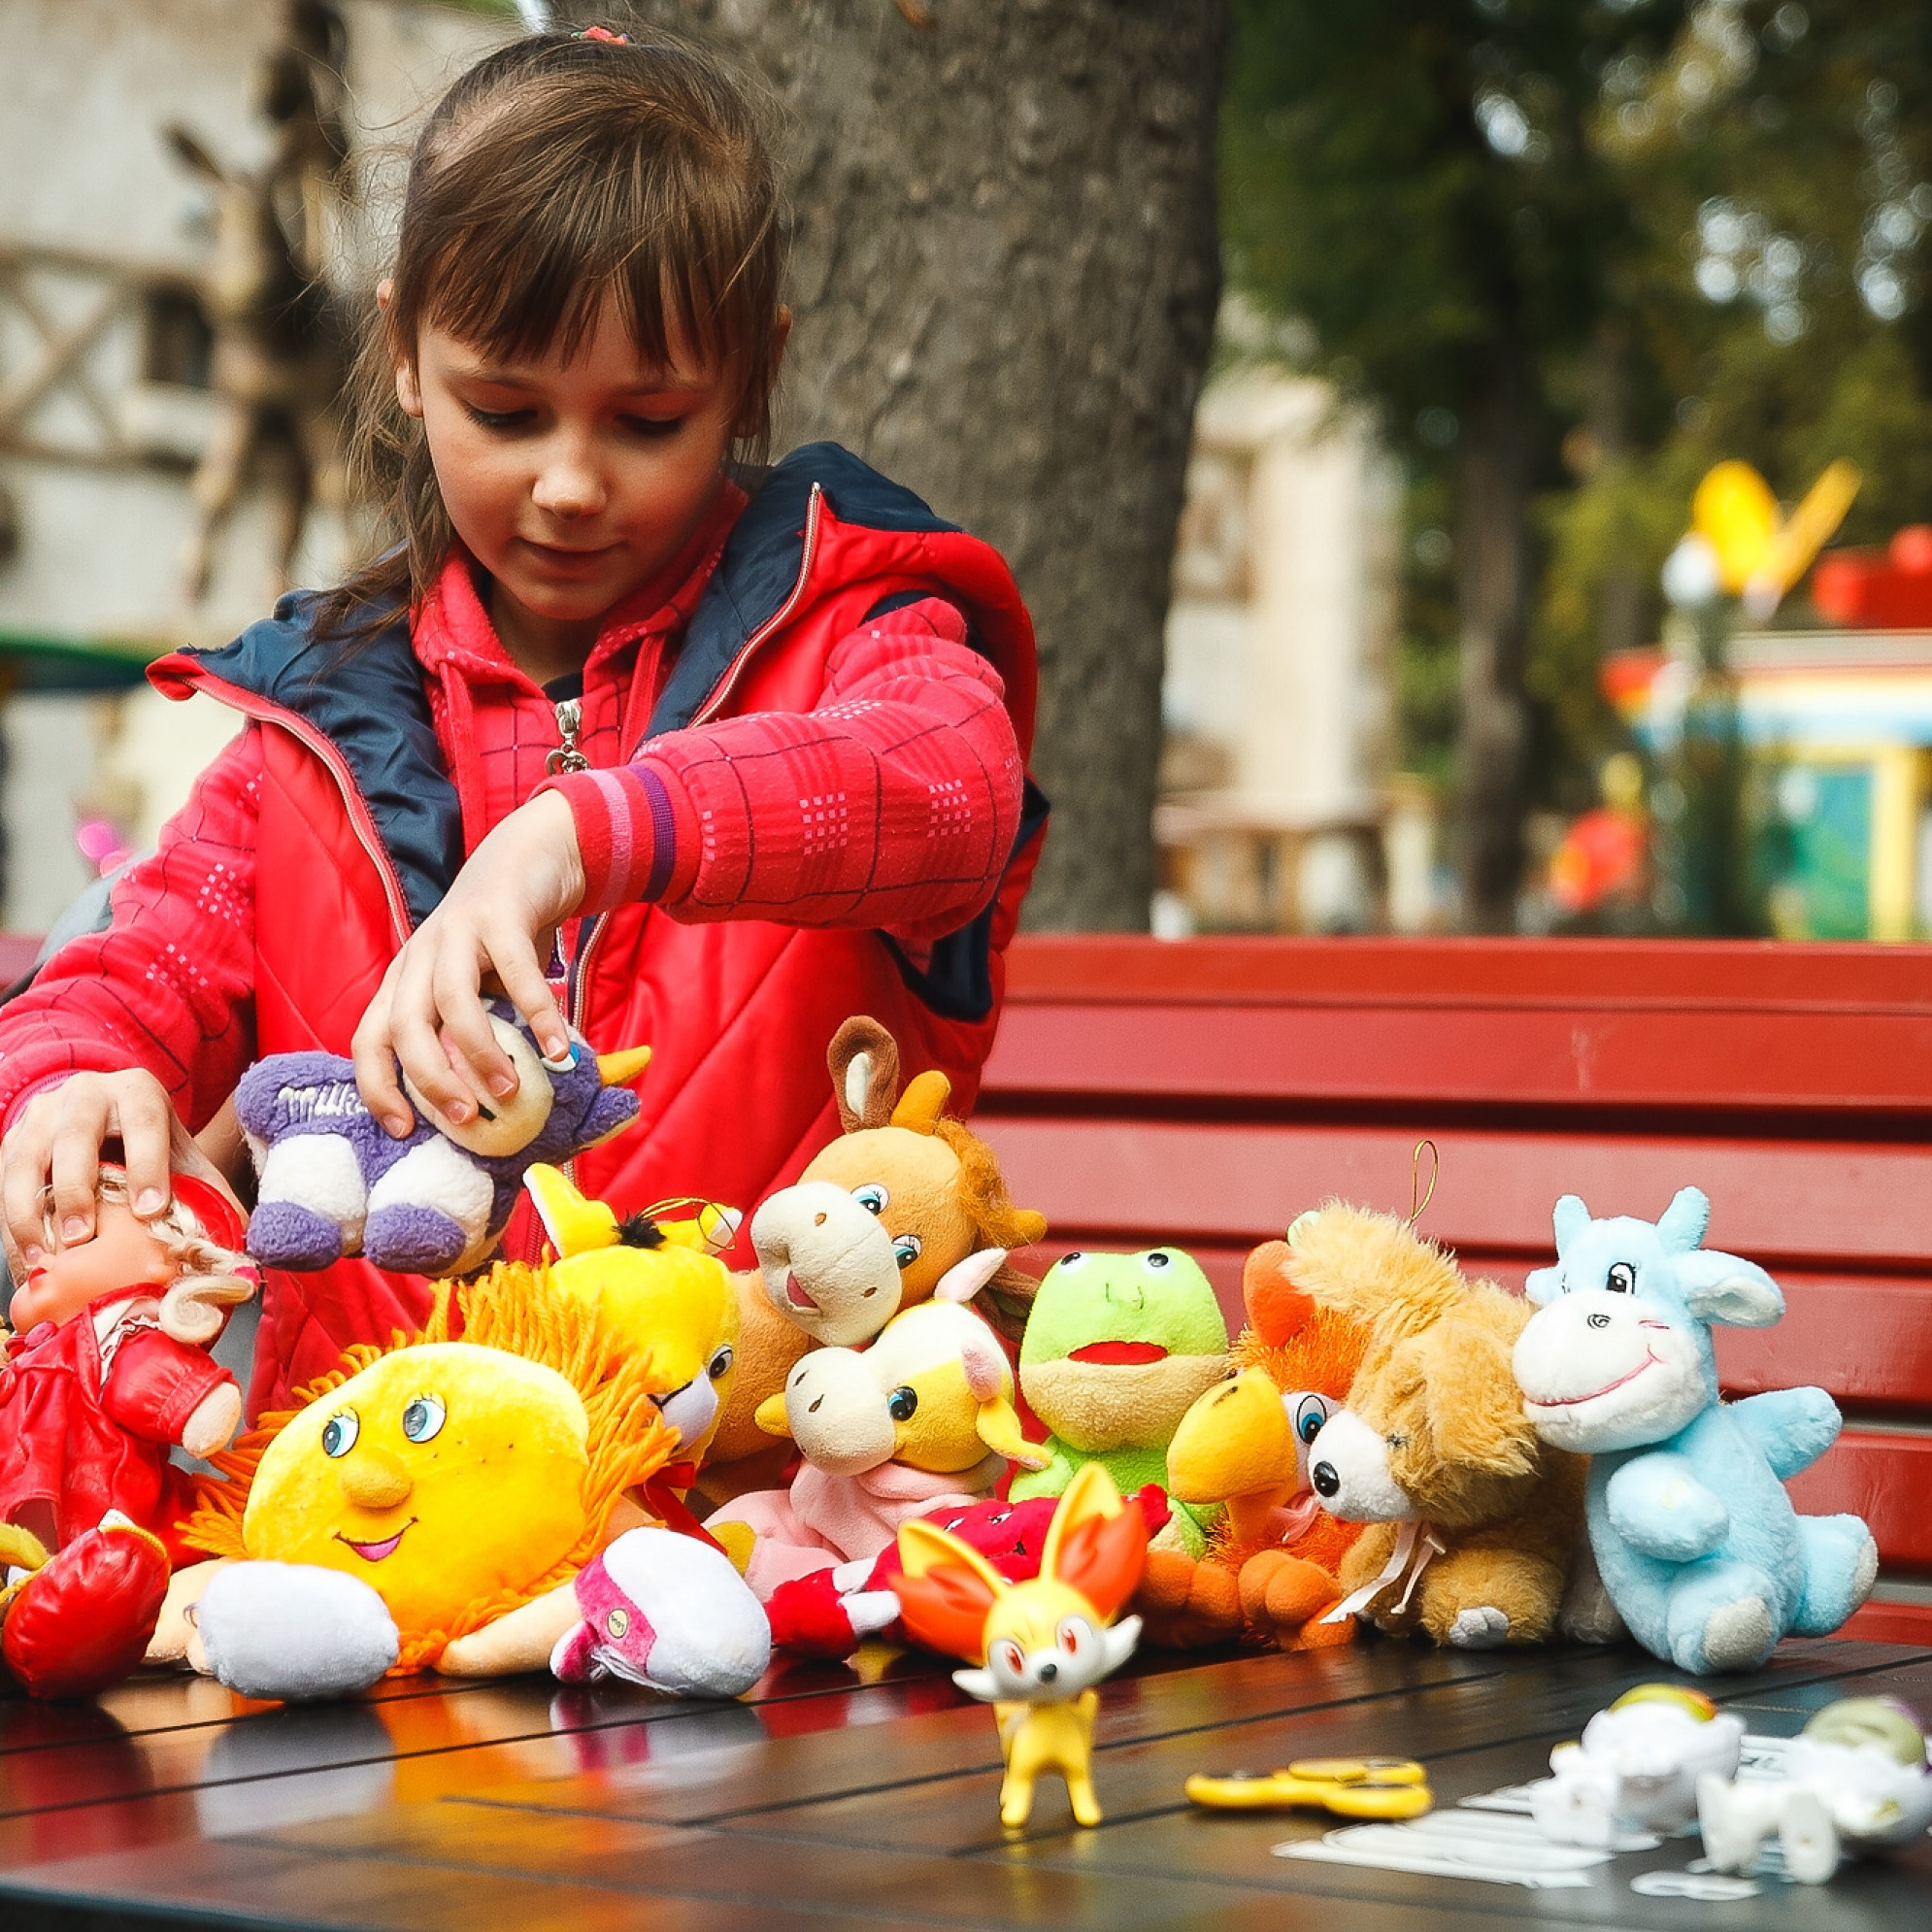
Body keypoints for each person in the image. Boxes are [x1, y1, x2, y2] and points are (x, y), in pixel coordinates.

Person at [0, 26, 1044, 1416]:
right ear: (405, 352)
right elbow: (140, 961)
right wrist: (76, 1077)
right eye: (506, 407)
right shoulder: (313, 724)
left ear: (750, 374)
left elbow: (950, 790)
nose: (567, 482)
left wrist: (581, 830)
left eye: (646, 420)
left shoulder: (849, 625)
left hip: (778, 1526)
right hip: (386, 1521)